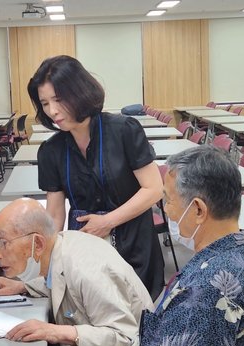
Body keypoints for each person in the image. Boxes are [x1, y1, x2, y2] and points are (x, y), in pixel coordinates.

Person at [59, 146, 244, 346]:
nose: (164, 209)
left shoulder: (211, 291)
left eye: (168, 200)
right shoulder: (242, 255)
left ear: (198, 210)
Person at [27, 55, 164, 298]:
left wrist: (108, 221)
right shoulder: (50, 151)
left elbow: (153, 189)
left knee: (139, 320)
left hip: (135, 247)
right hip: (87, 251)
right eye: (45, 103)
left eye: (58, 100)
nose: (52, 111)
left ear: (79, 92)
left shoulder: (124, 131)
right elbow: (56, 213)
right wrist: (46, 261)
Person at [0, 198, 154, 346]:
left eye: (3, 243)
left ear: (37, 244)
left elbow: (125, 340)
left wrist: (57, 332)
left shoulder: (87, 270)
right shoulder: (61, 246)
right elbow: (61, 281)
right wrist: (23, 287)